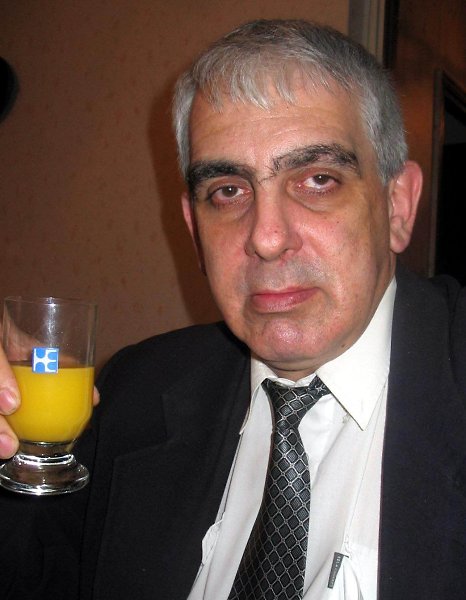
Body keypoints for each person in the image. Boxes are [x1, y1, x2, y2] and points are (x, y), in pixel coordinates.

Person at [1, 18, 466, 600]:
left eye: (318, 179)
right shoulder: (135, 390)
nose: (266, 238)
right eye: (227, 191)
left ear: (397, 206)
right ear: (194, 230)